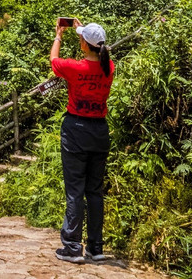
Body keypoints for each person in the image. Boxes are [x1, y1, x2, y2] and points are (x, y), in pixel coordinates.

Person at [50, 18, 115, 265]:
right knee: (94, 191)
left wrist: (59, 36)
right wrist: (83, 31)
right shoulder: (109, 68)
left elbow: (54, 60)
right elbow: (98, 55)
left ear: (84, 45)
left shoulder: (74, 68)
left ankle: (72, 246)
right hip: (100, 131)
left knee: (75, 190)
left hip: (76, 130)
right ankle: (95, 247)